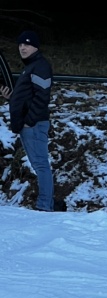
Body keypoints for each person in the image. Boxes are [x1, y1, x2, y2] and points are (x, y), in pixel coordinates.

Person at [0, 30, 54, 212]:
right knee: (40, 164)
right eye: (20, 44)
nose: (22, 47)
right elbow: (29, 97)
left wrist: (29, 121)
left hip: (34, 125)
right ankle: (46, 205)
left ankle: (44, 206)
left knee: (41, 165)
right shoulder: (30, 67)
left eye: (27, 44)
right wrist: (12, 98)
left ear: (36, 47)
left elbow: (42, 97)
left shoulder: (39, 66)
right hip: (30, 124)